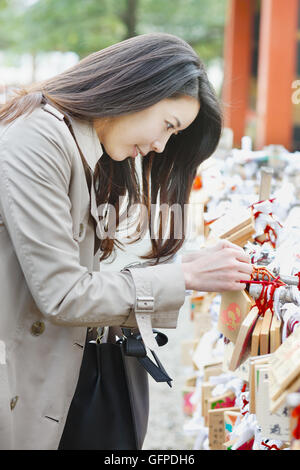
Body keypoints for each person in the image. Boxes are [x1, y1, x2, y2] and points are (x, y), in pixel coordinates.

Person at [0, 32, 252, 450]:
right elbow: (63, 293)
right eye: (168, 127)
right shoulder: (36, 141)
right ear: (137, 87)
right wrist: (184, 276)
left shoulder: (76, 144)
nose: (159, 145)